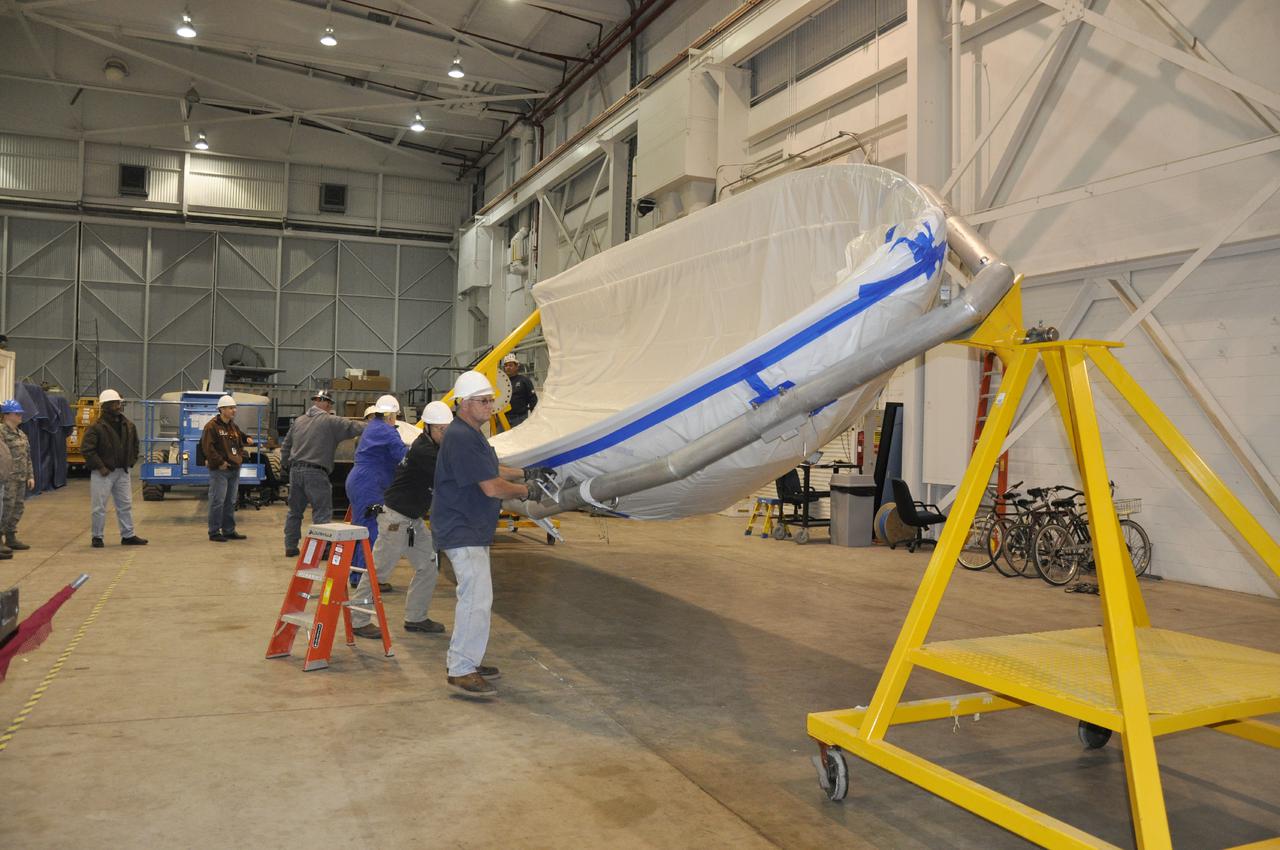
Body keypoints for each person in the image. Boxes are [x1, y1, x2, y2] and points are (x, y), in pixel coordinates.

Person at [431, 371, 542, 697]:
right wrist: (527, 490)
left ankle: (467, 661)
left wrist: (525, 472)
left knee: (478, 599)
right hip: (462, 528)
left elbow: (490, 468)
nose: (491, 406)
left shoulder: (469, 434)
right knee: (475, 600)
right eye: (484, 401)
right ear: (465, 403)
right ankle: (461, 669)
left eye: (491, 400)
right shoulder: (462, 437)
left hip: (469, 528)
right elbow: (492, 487)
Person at [352, 401, 454, 641]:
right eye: (440, 429)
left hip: (412, 520)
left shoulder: (434, 446)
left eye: (447, 429)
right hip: (396, 519)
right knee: (379, 570)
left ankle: (416, 617)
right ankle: (358, 620)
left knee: (429, 563)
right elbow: (452, 475)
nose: (445, 434)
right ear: (427, 427)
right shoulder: (425, 451)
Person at [280, 390, 364, 558]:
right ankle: (323, 550)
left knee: (294, 512)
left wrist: (285, 467)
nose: (330, 407)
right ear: (326, 403)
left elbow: (286, 447)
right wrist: (380, 424)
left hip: (295, 472)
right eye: (330, 404)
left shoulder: (299, 421)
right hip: (316, 473)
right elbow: (355, 427)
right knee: (322, 512)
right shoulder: (330, 421)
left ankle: (290, 547)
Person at [344, 394, 406, 578]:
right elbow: (403, 455)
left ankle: (356, 575)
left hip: (361, 481)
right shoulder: (387, 430)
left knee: (361, 529)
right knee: (370, 530)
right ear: (391, 415)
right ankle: (363, 579)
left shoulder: (374, 426)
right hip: (369, 482)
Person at [79, 389, 147, 548]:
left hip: (122, 472)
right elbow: (87, 450)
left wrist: (131, 461)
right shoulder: (96, 427)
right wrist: (101, 467)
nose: (118, 406)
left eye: (119, 403)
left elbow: (135, 445)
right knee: (99, 507)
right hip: (103, 473)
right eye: (115, 403)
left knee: (125, 505)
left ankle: (128, 535)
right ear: (105, 406)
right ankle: (97, 536)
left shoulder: (128, 425)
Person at [201, 395, 252, 542]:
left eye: (234, 408)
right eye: (230, 408)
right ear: (222, 409)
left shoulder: (232, 426)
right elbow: (208, 448)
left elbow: (240, 436)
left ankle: (229, 530)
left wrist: (246, 438)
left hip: (234, 468)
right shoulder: (211, 427)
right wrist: (220, 462)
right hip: (220, 470)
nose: (234, 410)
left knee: (230, 501)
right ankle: (214, 532)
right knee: (218, 501)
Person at [0, 400, 30, 556]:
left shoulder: (21, 433)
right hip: (7, 478)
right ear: (7, 415)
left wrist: (30, 476)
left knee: (18, 507)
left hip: (20, 477)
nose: (20, 416)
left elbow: (27, 456)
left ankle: (11, 536)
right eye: (17, 413)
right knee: (5, 508)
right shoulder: (1, 433)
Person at [501, 353, 537, 429]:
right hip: (503, 418)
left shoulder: (524, 381)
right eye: (506, 365)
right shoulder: (501, 382)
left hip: (519, 418)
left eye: (510, 365)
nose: (508, 367)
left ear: (517, 366)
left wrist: (535, 418)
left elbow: (532, 400)